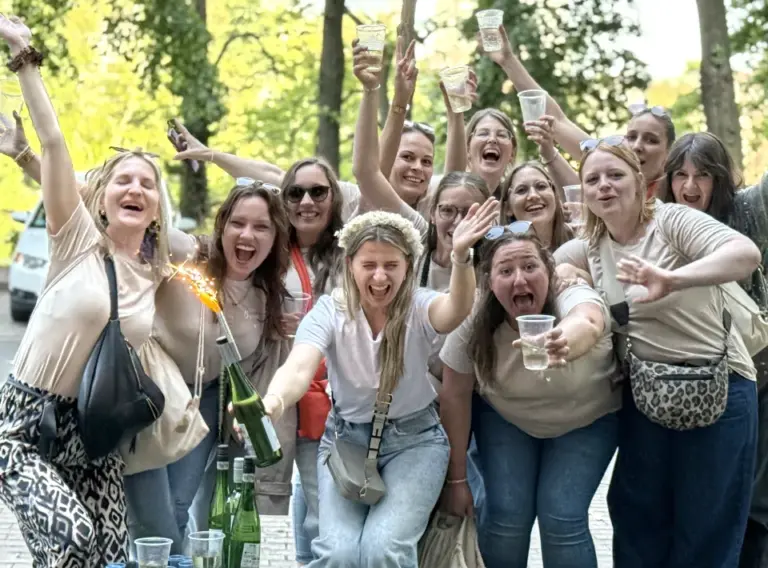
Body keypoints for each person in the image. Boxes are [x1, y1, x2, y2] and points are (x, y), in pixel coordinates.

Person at [0, 14, 171, 565]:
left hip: (94, 439)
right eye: (123, 178)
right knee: (71, 539)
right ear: (99, 197)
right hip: (25, 429)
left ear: (156, 209)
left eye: (147, 184)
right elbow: (53, 143)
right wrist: (23, 54)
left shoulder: (157, 271)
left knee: (108, 552)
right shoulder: (76, 241)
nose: (136, 188)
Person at [555, 139, 761, 567]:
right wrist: (563, 277)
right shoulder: (593, 245)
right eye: (592, 179)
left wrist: (672, 278)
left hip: (720, 389)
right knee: (638, 520)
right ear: (585, 194)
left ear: (642, 183)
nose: (604, 186)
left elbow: (745, 254)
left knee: (707, 526)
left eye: (615, 175)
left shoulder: (672, 220)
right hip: (647, 393)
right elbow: (544, 265)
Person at [260, 200, 497, 566]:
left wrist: (462, 257)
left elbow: (455, 310)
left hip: (415, 442)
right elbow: (298, 366)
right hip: (346, 441)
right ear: (350, 265)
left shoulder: (419, 305)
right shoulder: (331, 310)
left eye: (391, 266)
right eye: (368, 265)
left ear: (408, 267)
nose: (380, 277)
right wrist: (273, 400)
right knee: (337, 553)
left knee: (383, 548)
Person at [124, 179, 291, 553]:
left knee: (178, 511)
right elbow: (142, 218)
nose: (247, 235)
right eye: (238, 223)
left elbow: (265, 370)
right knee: (154, 519)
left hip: (204, 405)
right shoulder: (189, 255)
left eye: (261, 227)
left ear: (276, 235)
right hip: (152, 398)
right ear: (222, 225)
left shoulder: (271, 297)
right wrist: (34, 159)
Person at [440, 228, 620, 568]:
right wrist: (457, 480)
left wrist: (563, 340)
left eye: (530, 267)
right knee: (507, 515)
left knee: (561, 515)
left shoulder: (570, 293)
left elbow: (589, 320)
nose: (519, 280)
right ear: (489, 282)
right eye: (505, 271)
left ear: (549, 272)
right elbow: (455, 395)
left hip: (588, 418)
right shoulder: (475, 316)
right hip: (508, 419)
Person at [662, 131, 768, 568]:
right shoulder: (662, 221)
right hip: (684, 383)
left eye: (702, 175)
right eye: (681, 175)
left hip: (755, 378)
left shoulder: (747, 211)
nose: (690, 186)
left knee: (754, 500)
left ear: (720, 179)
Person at [483, 25, 674, 199]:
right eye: (631, 137)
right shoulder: (607, 183)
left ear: (669, 153)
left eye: (651, 140)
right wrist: (507, 61)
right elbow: (557, 121)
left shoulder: (676, 193)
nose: (638, 146)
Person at [499, 161, 574, 250]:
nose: (533, 195)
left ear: (554, 195)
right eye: (521, 190)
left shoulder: (581, 240)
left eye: (541, 186)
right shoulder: (496, 254)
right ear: (508, 208)